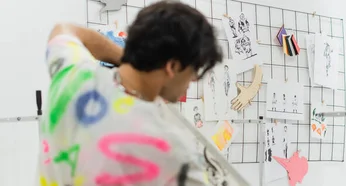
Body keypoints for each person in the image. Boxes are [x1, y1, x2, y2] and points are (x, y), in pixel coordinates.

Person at [37, 1, 240, 185]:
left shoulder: (73, 77)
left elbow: (64, 31)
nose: (193, 80)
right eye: (194, 70)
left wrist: (131, 61)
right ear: (173, 66)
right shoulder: (172, 150)